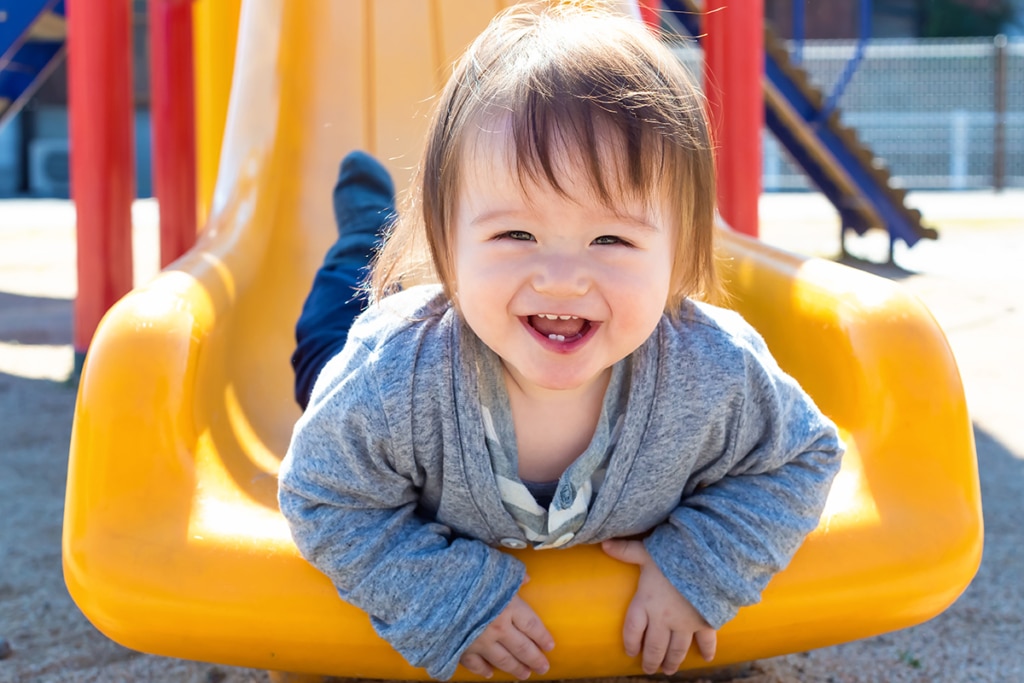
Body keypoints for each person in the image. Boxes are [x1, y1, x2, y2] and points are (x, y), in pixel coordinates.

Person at [279, 1, 845, 680]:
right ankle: (369, 217)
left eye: (611, 239)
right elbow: (320, 494)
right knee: (345, 298)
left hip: (469, 310)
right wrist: (442, 595)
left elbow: (802, 458)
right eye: (516, 234)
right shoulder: (391, 375)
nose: (561, 281)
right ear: (447, 242)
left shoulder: (710, 370)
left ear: (683, 252)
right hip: (381, 332)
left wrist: (700, 564)